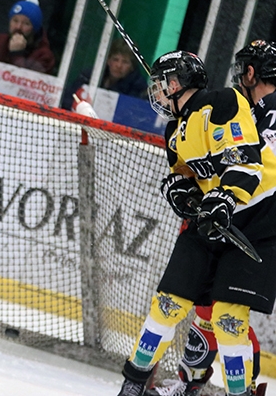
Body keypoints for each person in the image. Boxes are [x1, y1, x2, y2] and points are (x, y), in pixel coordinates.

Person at [117, 51, 276, 396]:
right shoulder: (174, 130)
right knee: (167, 305)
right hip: (209, 225)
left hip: (256, 225)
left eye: (160, 85)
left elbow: (245, 161)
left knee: (229, 320)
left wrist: (226, 196)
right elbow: (185, 174)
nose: (156, 92)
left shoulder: (223, 102)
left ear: (175, 84)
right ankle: (132, 385)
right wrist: (181, 190)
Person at [60, 39, 148, 111]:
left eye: (125, 62)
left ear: (132, 67)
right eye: (115, 59)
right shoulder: (89, 76)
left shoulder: (138, 89)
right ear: (108, 60)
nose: (119, 65)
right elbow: (67, 99)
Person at [0, 0, 56, 74]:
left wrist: (16, 54)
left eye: (26, 23)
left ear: (34, 28)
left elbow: (26, 79)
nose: (18, 27)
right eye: (15, 21)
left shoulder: (44, 56)